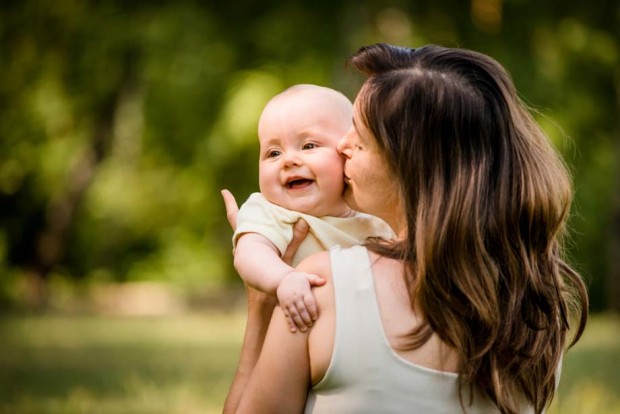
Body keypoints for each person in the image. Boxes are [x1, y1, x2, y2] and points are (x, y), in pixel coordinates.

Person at [222, 43, 589, 414]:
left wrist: (262, 310)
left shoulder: (322, 288)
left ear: (408, 165)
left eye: (361, 138)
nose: (343, 146)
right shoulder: (538, 310)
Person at [228, 84, 395, 332]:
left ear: (346, 153)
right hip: (299, 335)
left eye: (308, 146)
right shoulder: (270, 211)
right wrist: (283, 278)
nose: (289, 160)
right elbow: (250, 253)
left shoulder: (375, 216)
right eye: (273, 153)